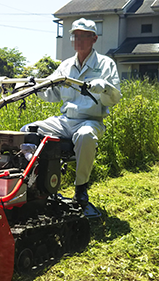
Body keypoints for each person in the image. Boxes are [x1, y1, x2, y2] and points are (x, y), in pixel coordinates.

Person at [21, 18, 121, 207]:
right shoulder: (65, 66)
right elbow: (52, 92)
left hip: (90, 121)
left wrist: (105, 87)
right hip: (65, 120)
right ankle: (36, 180)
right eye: (75, 36)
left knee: (85, 136)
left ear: (94, 39)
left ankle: (81, 187)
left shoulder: (106, 65)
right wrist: (35, 86)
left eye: (84, 36)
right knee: (28, 130)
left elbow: (115, 98)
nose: (79, 40)